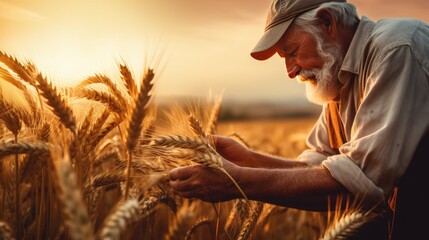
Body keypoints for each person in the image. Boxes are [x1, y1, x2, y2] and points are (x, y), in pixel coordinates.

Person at [168, 0, 429, 239]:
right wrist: (246, 159)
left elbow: (356, 184)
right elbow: (320, 168)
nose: (291, 71)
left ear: (327, 22)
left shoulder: (397, 49)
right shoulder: (340, 79)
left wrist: (237, 182)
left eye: (292, 51)